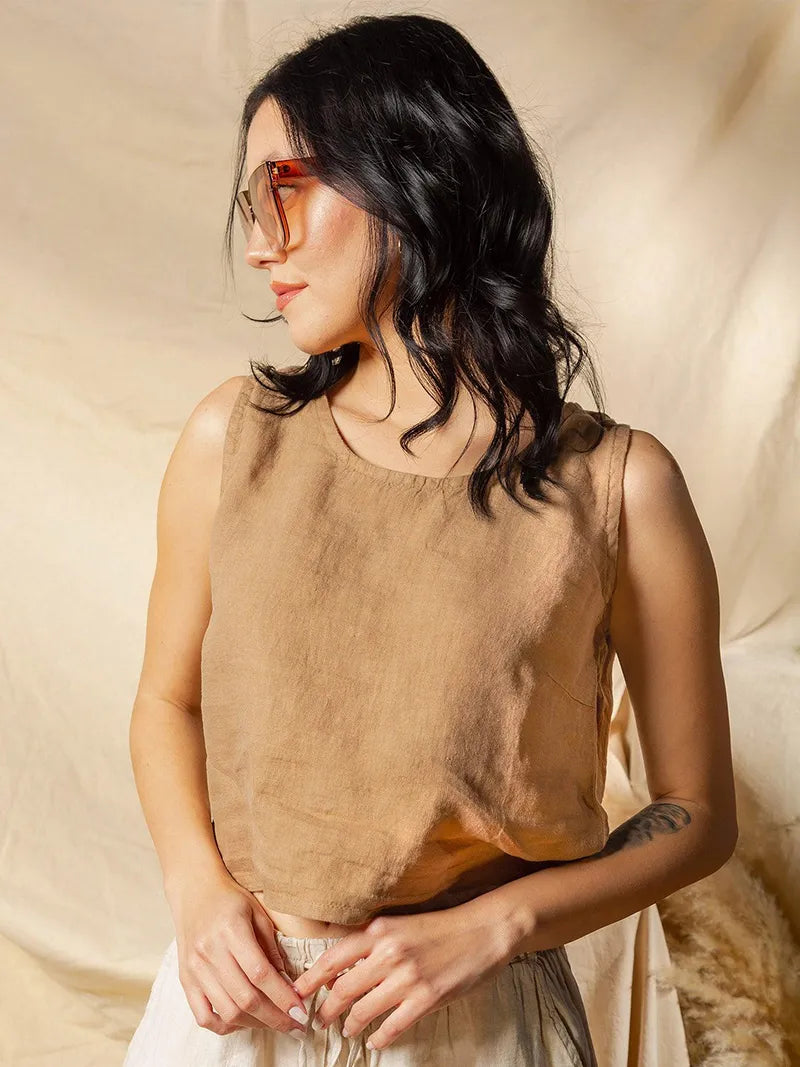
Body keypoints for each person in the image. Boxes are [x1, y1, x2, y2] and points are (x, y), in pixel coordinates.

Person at [123, 13, 738, 1066]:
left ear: (414, 175)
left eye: (287, 186)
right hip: (235, 1013)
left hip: (478, 1022)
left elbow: (697, 812)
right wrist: (198, 890)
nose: (260, 241)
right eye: (251, 202)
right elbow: (163, 702)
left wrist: (499, 925)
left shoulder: (619, 487)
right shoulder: (234, 440)